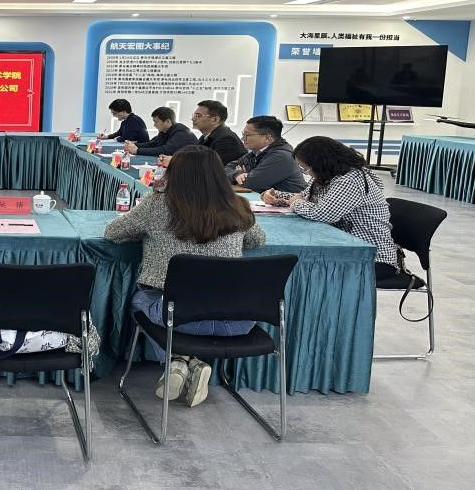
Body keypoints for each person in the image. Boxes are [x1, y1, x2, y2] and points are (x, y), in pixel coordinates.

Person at [104, 145, 265, 408]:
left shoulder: (156, 205)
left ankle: (176, 360)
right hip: (238, 320)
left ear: (173, 173)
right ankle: (190, 362)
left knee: (140, 301)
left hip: (178, 318)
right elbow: (257, 240)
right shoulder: (238, 206)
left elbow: (113, 232)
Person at [262, 136, 398, 279]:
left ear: (320, 163)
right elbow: (305, 198)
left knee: (295, 270)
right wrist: (274, 195)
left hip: (371, 258)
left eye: (306, 168)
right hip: (343, 247)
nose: (306, 172)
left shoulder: (350, 179)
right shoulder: (326, 175)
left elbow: (323, 214)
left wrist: (295, 203)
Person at [225, 116, 307, 193]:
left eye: (247, 135)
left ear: (267, 138)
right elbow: (224, 171)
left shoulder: (281, 156)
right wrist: (237, 174)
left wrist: (245, 175)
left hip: (289, 202)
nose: (243, 138)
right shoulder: (255, 152)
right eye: (243, 134)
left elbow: (251, 184)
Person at [123, 107, 197, 157]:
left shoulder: (181, 132)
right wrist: (133, 145)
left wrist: (137, 151)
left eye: (156, 122)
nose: (154, 125)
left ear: (167, 121)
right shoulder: (164, 131)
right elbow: (152, 144)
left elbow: (166, 150)